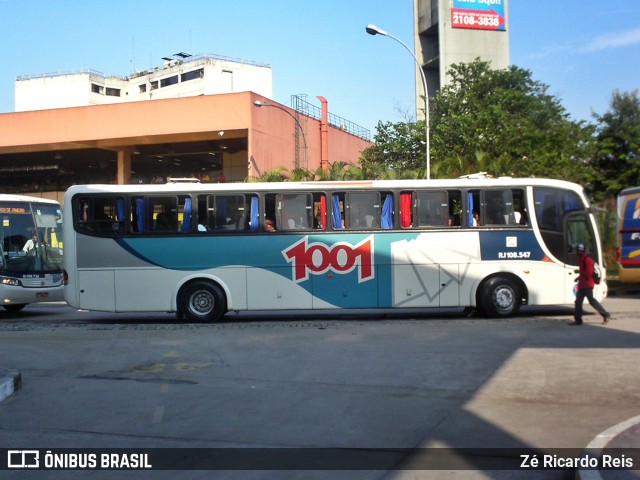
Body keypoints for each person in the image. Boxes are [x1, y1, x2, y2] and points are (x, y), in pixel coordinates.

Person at [570, 243, 612, 326]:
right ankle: (578, 320)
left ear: (582, 251)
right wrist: (578, 278)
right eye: (576, 250)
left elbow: (588, 274)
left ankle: (606, 315)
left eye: (578, 250)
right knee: (578, 302)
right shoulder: (581, 259)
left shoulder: (587, 260)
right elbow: (584, 273)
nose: (576, 252)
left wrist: (579, 272)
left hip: (588, 285)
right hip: (582, 284)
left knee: (592, 301)